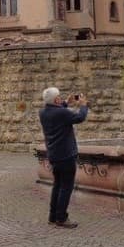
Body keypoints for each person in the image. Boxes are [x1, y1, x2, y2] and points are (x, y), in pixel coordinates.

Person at [39, 87, 88, 228]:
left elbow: (57, 112)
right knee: (66, 187)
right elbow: (80, 117)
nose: (61, 99)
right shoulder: (61, 112)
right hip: (66, 155)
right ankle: (61, 217)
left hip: (54, 154)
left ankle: (52, 216)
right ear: (56, 100)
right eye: (59, 97)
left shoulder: (43, 112)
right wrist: (83, 105)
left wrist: (66, 102)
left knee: (57, 185)